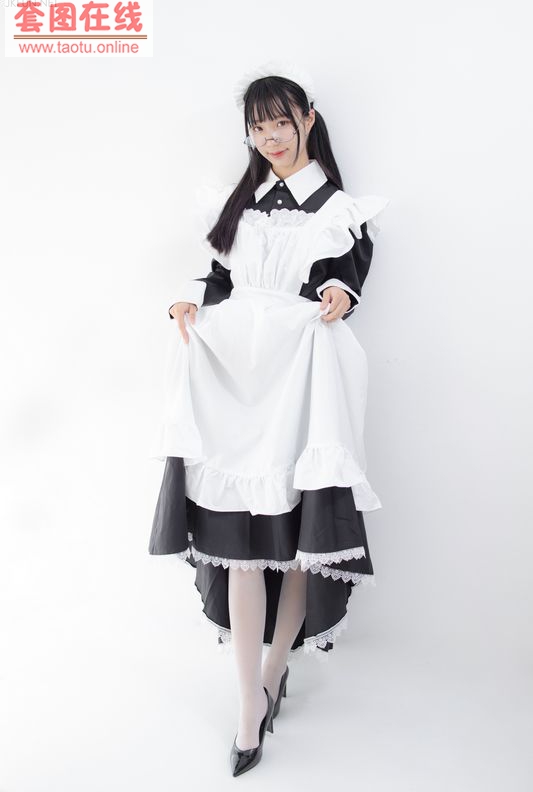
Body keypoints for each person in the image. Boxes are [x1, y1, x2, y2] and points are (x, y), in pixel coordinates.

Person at [148, 61, 389, 776]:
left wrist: (339, 295)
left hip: (301, 378)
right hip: (236, 376)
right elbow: (219, 276)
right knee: (243, 543)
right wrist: (189, 298)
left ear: (307, 119)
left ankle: (275, 668)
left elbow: (345, 275)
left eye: (281, 122)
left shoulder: (337, 208)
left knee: (294, 537)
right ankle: (248, 697)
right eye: (258, 127)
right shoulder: (242, 200)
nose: (271, 137)